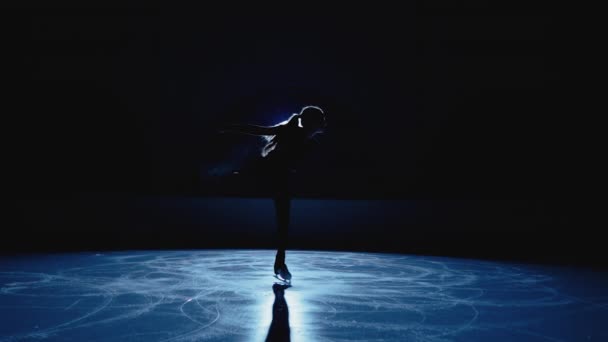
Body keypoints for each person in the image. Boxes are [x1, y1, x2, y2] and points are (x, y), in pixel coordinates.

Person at [221, 106, 327, 282]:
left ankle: (280, 264)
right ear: (312, 122)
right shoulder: (292, 131)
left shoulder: (308, 141)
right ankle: (280, 264)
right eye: (321, 119)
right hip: (269, 174)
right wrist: (231, 126)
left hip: (279, 178)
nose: (324, 123)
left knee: (283, 224)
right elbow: (257, 130)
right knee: (283, 223)